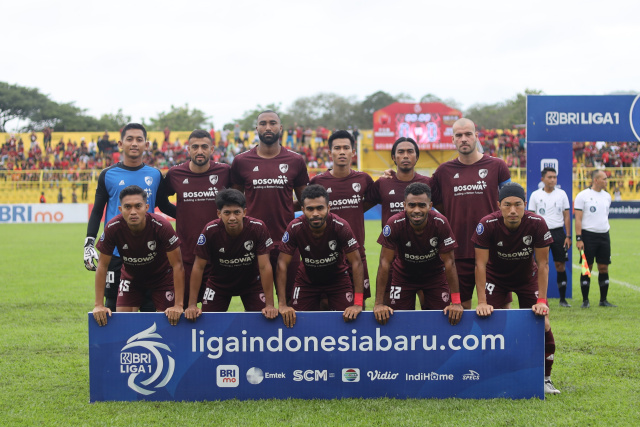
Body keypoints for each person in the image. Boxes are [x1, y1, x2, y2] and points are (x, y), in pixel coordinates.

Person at [472, 182, 559, 395]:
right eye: (507, 205)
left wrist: (541, 301)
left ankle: (545, 378)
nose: (513, 210)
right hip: (496, 278)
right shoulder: (487, 224)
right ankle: (493, 374)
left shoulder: (537, 223)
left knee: (544, 323)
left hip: (526, 278)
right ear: (498, 205)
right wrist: (482, 301)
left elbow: (543, 264)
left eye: (518, 205)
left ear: (525, 204)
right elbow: (480, 265)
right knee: (491, 325)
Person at [84, 123, 176, 312]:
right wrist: (89, 243)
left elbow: (164, 206)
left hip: (150, 253)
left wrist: (194, 213)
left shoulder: (155, 174)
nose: (134, 143)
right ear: (120, 143)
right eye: (130, 139)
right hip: (117, 252)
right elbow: (97, 210)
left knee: (150, 309)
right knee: (113, 308)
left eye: (139, 139)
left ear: (147, 145)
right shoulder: (107, 174)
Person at [431, 118, 511, 309]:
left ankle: (500, 341)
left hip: (493, 250)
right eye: (459, 135)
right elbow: (430, 200)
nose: (464, 139)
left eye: (468, 134)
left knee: (499, 308)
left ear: (476, 136)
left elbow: (509, 204)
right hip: (458, 250)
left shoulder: (497, 166)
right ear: (453, 139)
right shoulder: (443, 171)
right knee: (460, 308)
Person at [230, 110, 309, 302]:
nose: (268, 127)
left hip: (287, 242)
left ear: (280, 128)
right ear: (256, 128)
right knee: (259, 306)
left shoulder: (295, 160)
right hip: (253, 245)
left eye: (272, 123)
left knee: (293, 303)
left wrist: (286, 206)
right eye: (263, 123)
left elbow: (306, 201)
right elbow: (236, 201)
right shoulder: (241, 161)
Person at [92, 185, 184, 326]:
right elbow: (102, 266)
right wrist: (98, 304)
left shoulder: (162, 226)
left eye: (138, 206)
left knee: (169, 322)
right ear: (121, 209)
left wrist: (178, 305)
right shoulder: (113, 228)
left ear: (146, 207)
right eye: (128, 207)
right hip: (131, 278)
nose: (133, 212)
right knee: (123, 323)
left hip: (162, 279)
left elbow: (177, 266)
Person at [373, 183, 463, 326]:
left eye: (422, 205)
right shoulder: (394, 223)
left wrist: (456, 302)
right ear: (404, 205)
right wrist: (378, 303)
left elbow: (450, 263)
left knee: (440, 321)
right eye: (411, 205)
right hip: (403, 276)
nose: (416, 210)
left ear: (430, 205)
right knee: (399, 323)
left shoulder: (440, 223)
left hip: (435, 277)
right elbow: (385, 262)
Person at [276, 185, 364, 327]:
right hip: (306, 282)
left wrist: (358, 303)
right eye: (310, 209)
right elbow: (282, 264)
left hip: (338, 281)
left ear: (328, 208)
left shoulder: (340, 226)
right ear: (303, 209)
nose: (315, 213)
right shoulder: (294, 228)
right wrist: (281, 304)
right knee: (297, 323)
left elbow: (357, 262)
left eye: (320, 208)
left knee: (347, 322)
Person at [184, 189, 277, 320]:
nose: (232, 218)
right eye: (227, 213)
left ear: (244, 212)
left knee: (264, 321)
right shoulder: (210, 230)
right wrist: (192, 305)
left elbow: (264, 267)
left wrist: (270, 304)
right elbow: (198, 267)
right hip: (218, 285)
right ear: (219, 213)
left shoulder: (258, 227)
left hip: (252, 284)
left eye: (237, 212)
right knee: (208, 323)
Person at [165, 129, 231, 307]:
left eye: (204, 147)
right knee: (184, 311)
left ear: (212, 149)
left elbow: (237, 201)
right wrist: (181, 214)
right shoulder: (175, 174)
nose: (199, 151)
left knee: (214, 315)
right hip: (187, 255)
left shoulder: (225, 172)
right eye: (195, 147)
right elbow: (162, 202)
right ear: (188, 149)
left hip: (218, 257)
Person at [365, 137, 431, 306]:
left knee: (431, 312)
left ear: (417, 156)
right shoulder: (383, 183)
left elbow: (445, 210)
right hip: (392, 258)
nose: (405, 155)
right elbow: (358, 206)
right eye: (400, 152)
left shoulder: (428, 183)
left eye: (410, 151)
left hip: (426, 258)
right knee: (391, 312)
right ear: (393, 157)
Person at [310, 130, 374, 304]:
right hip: (325, 255)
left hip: (356, 254)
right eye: (337, 148)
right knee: (323, 304)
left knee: (358, 305)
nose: (342, 152)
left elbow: (371, 201)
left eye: (346, 148)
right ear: (330, 153)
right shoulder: (318, 182)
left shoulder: (364, 179)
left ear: (353, 152)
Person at [528, 167, 572, 307]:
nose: (552, 179)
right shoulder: (535, 195)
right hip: (541, 233)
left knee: (560, 265)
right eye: (550, 177)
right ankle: (538, 298)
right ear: (543, 179)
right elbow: (531, 217)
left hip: (558, 232)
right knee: (539, 265)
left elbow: (566, 216)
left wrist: (568, 236)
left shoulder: (562, 194)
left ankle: (563, 299)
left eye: (554, 177)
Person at [574, 170, 616, 308]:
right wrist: (579, 238)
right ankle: (585, 300)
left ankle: (603, 300)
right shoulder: (583, 196)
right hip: (588, 236)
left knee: (604, 267)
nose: (606, 181)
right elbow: (578, 219)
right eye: (604, 178)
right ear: (596, 180)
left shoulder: (607, 196)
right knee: (587, 268)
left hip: (604, 235)